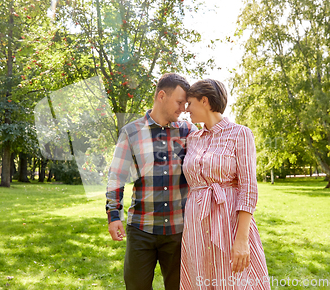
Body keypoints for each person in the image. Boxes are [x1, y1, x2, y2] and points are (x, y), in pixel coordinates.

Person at [106, 73, 198, 290]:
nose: (183, 108)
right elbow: (116, 176)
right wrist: (113, 215)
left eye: (185, 103)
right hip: (141, 230)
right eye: (179, 102)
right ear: (161, 96)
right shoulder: (131, 132)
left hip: (179, 231)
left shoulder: (189, 132)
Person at [180, 79, 270, 289]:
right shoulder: (192, 138)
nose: (186, 110)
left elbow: (248, 189)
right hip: (196, 224)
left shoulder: (240, 133)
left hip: (228, 221)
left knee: (234, 280)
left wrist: (242, 239)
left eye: (190, 103)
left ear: (205, 101)